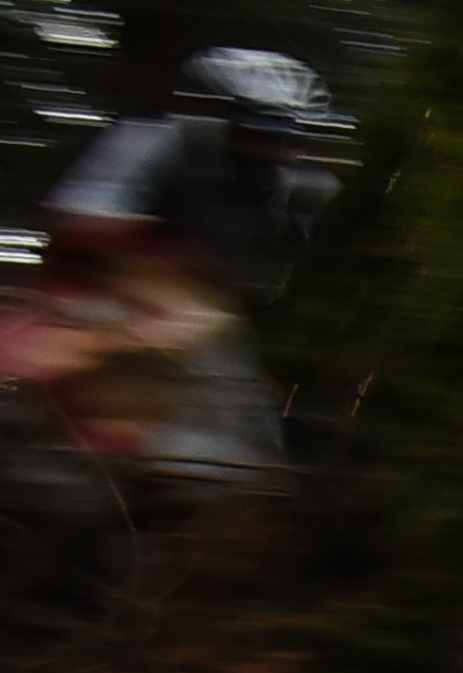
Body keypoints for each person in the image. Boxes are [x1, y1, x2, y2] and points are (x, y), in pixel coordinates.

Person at [19, 47, 340, 493]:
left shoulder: (284, 190)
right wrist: (150, 293)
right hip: (99, 289)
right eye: (250, 133)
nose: (266, 150)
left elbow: (280, 275)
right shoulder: (149, 144)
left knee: (242, 423)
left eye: (279, 138)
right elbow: (86, 222)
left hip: (201, 314)